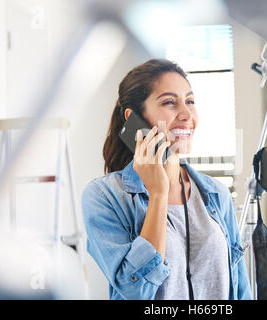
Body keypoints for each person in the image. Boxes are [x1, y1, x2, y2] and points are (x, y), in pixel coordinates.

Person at [81, 59, 251, 300]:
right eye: (170, 103)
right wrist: (158, 194)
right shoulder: (104, 196)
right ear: (134, 119)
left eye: (190, 102)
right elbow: (136, 291)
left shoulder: (215, 194)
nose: (186, 114)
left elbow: (241, 291)